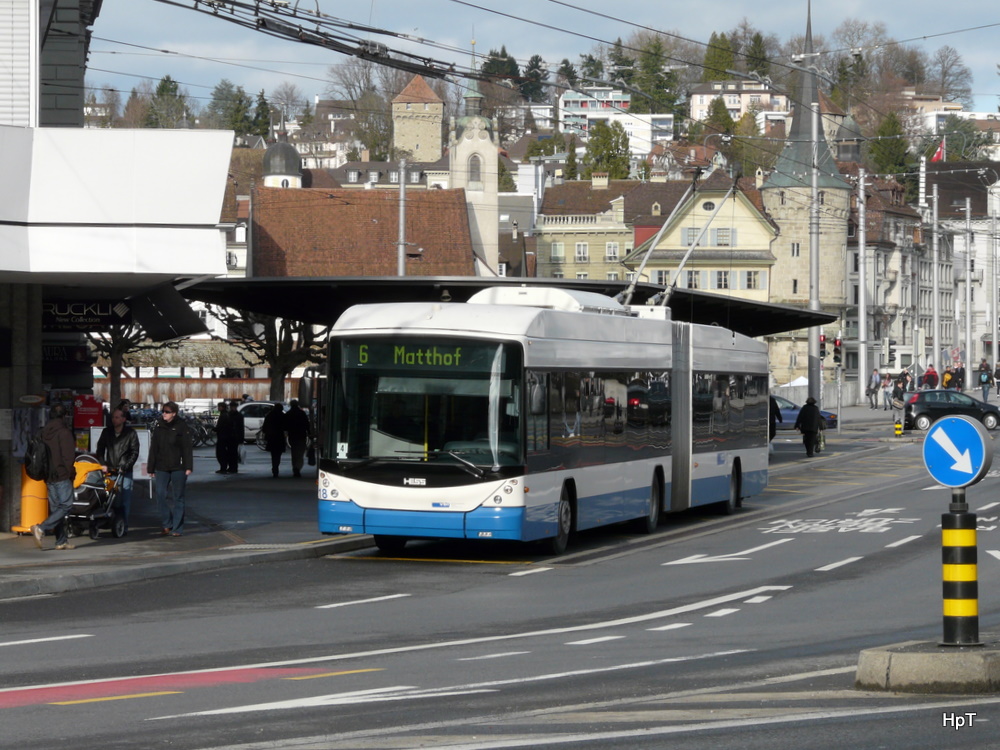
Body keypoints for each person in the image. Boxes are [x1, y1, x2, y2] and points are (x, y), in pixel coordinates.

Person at [30, 403, 77, 551]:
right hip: (62, 474)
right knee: (66, 505)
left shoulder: (43, 432)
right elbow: (69, 457)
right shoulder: (64, 432)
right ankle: (41, 528)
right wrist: (70, 474)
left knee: (57, 509)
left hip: (48, 475)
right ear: (64, 416)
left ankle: (61, 541)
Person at [147, 401, 194, 536]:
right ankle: (167, 523)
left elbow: (186, 448)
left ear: (174, 413)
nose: (164, 414)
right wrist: (151, 468)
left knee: (178, 497)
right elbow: (154, 448)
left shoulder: (181, 426)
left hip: (178, 467)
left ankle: (177, 528)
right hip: (162, 466)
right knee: (160, 494)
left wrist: (188, 466)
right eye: (163, 411)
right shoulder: (159, 427)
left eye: (167, 412)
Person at [95, 406, 140, 535]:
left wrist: (126, 466)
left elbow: (134, 452)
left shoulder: (131, 433)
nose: (114, 420)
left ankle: (123, 525)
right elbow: (100, 450)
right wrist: (103, 464)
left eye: (117, 417)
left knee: (124, 500)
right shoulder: (106, 432)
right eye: (113, 417)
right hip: (110, 470)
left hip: (125, 471)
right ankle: (109, 522)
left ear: (123, 419)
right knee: (109, 499)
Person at [284, 399, 311, 478]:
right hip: (301, 435)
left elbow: (285, 425)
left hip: (292, 436)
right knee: (300, 453)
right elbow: (307, 424)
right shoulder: (302, 413)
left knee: (294, 453)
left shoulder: (288, 414)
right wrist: (309, 433)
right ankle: (298, 467)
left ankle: (295, 467)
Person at [261, 402, 287, 477]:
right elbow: (285, 426)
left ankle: (274, 468)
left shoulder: (269, 415)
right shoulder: (282, 415)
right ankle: (276, 467)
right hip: (279, 437)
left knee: (273, 454)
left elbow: (265, 427)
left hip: (271, 437)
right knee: (278, 454)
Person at [213, 401, 232, 474]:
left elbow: (220, 426)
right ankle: (224, 467)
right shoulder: (226, 415)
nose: (218, 408)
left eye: (219, 407)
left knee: (221, 453)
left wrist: (214, 429)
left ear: (222, 407)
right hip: (225, 436)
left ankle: (223, 467)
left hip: (222, 436)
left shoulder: (223, 415)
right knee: (223, 452)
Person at [226, 400, 244, 473]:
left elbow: (240, 427)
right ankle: (232, 467)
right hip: (233, 436)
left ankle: (233, 467)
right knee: (232, 452)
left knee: (232, 452)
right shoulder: (238, 415)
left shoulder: (230, 415)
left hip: (232, 436)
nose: (233, 408)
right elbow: (241, 428)